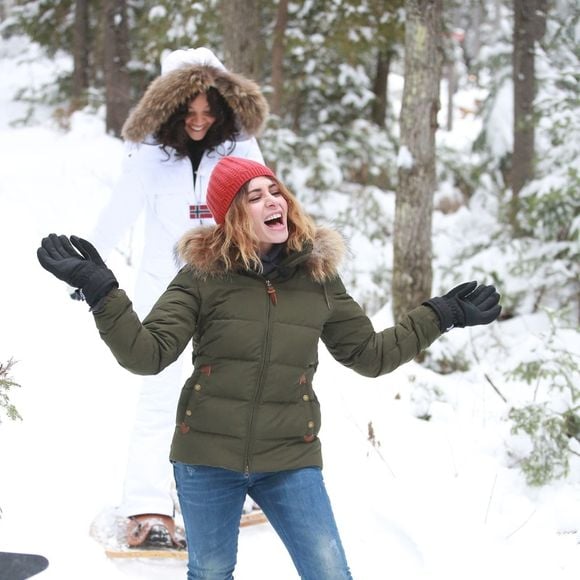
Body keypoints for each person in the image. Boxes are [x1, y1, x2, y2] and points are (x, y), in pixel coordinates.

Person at [37, 156, 502, 579]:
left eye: (275, 191)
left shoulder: (317, 278)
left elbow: (370, 355)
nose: (272, 200)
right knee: (211, 573)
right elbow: (147, 354)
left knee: (330, 573)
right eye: (254, 196)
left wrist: (441, 314)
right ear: (234, 215)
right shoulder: (203, 276)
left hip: (289, 457)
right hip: (206, 458)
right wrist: (102, 292)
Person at [81, 47, 269, 548]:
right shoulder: (148, 157)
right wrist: (86, 266)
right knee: (161, 392)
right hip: (165, 288)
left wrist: (289, 257)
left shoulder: (241, 150)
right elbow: (117, 212)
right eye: (189, 112)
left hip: (230, 286)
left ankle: (225, 487)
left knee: (225, 387)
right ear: (168, 107)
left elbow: (270, 207)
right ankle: (147, 507)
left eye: (210, 112)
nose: (200, 122)